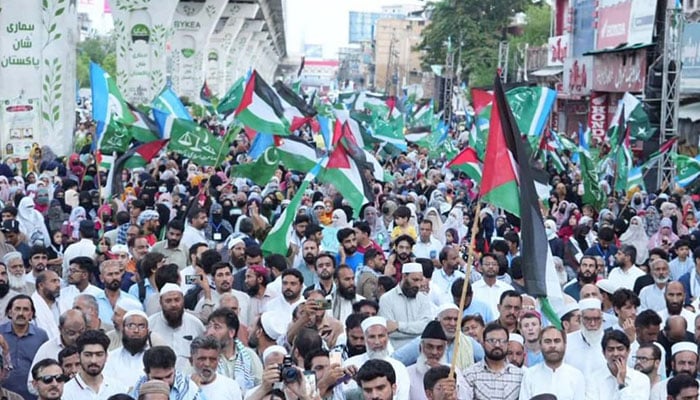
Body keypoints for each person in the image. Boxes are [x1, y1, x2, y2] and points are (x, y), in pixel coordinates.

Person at [343, 316, 410, 400]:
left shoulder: (399, 367)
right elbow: (341, 394)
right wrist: (345, 378)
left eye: (381, 336)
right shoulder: (350, 364)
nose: (377, 342)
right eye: (372, 337)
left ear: (387, 337)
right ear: (365, 339)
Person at [519, 326, 585, 400]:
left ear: (565, 345)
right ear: (540, 345)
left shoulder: (576, 376)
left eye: (557, 341)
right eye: (547, 341)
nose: (552, 346)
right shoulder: (530, 375)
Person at [406, 320, 468, 400]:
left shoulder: (453, 371)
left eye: (439, 348)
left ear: (445, 349)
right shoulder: (408, 373)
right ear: (420, 348)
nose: (434, 352)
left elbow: (466, 397)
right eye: (430, 347)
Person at [148, 283, 204, 369]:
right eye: (168, 301)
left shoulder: (196, 324)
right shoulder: (150, 324)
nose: (173, 305)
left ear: (183, 301)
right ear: (160, 303)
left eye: (177, 300)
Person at [377, 262, 433, 350]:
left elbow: (426, 327)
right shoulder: (386, 299)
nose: (418, 285)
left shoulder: (423, 298)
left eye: (420, 280)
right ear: (404, 277)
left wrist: (399, 325)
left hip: (420, 350)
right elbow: (390, 332)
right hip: (395, 351)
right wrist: (416, 331)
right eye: (415, 280)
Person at [204, 307, 260, 391]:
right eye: (209, 327)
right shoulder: (202, 357)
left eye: (216, 327)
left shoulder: (249, 355)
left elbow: (260, 386)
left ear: (231, 332)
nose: (210, 332)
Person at [463, 322, 523, 400]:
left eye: (502, 341)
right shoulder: (470, 374)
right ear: (483, 343)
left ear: (508, 344)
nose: (497, 345)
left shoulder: (520, 376)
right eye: (492, 341)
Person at [585, 329, 650, 399]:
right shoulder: (593, 379)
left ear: (628, 351)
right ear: (603, 353)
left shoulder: (641, 379)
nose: (615, 354)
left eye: (620, 349)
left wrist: (622, 385)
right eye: (610, 349)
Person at [103, 310, 156, 388]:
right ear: (123, 329)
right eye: (131, 326)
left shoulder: (154, 359)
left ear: (148, 331)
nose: (136, 331)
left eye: (141, 326)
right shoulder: (110, 357)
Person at [61, 330, 121, 398]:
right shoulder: (65, 393)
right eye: (88, 355)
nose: (93, 360)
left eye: (99, 355)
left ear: (106, 356)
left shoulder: (118, 389)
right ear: (79, 356)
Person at [130, 346, 203, 400]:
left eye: (168, 376)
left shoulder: (191, 390)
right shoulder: (138, 388)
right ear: (146, 373)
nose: (165, 383)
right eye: (158, 378)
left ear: (174, 369)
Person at [188, 335, 242, 400]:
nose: (207, 364)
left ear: (218, 361)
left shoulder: (231, 386)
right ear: (191, 361)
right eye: (202, 359)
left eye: (212, 359)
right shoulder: (181, 386)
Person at [563, 298, 607, 375]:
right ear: (580, 319)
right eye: (588, 319)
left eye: (596, 319)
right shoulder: (566, 341)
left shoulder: (610, 340)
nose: (593, 324)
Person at [471, 253, 514, 317]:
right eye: (487, 264)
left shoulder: (507, 289)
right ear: (480, 267)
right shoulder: (473, 289)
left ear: (498, 267)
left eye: (494, 264)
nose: (491, 267)